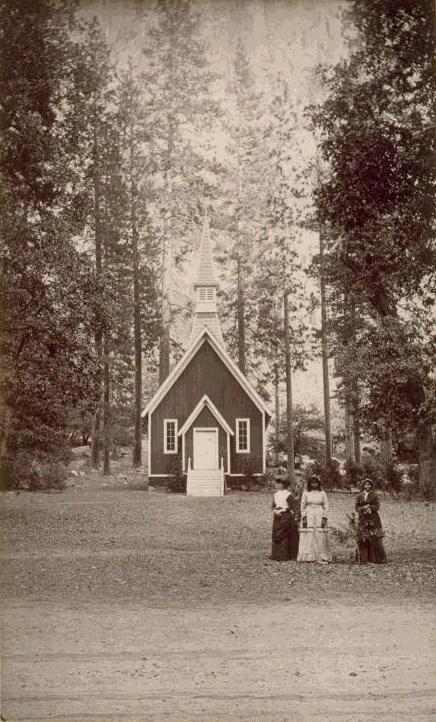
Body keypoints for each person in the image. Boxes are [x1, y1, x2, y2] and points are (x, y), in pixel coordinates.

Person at [297, 475, 332, 563]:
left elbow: (326, 506)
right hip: (309, 514)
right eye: (312, 483)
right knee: (308, 535)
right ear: (309, 483)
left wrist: (325, 517)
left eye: (315, 482)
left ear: (318, 483)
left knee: (320, 535)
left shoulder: (322, 493)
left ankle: (322, 556)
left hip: (319, 514)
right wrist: (304, 517)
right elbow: (302, 506)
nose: (314, 484)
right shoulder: (306, 493)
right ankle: (308, 557)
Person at [355, 479, 387, 564]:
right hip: (363, 518)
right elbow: (356, 507)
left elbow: (377, 506)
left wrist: (370, 509)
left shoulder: (375, 495)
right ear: (363, 486)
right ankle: (363, 558)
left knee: (374, 537)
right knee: (363, 537)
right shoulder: (359, 496)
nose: (367, 486)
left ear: (371, 486)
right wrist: (362, 509)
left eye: (369, 484)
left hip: (373, 518)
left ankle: (376, 558)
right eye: (365, 484)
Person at [270, 477, 299, 561]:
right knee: (276, 533)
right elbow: (273, 505)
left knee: (285, 534)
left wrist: (283, 510)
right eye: (276, 483)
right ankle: (276, 555)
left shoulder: (289, 494)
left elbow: (292, 506)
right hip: (277, 516)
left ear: (284, 485)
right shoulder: (276, 494)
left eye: (279, 483)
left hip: (286, 516)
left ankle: (285, 555)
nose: (277, 485)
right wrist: (275, 510)